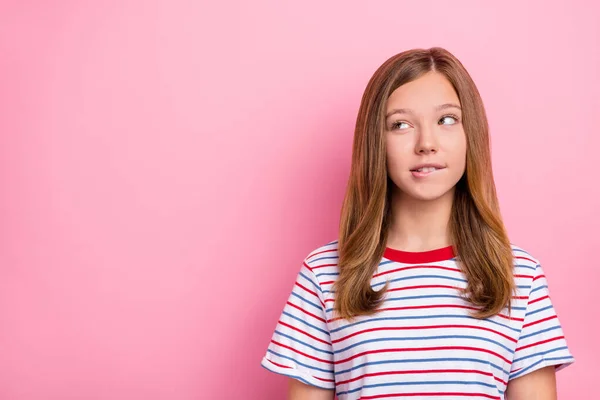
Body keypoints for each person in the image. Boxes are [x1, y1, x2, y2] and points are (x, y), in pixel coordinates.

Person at [259, 47, 575, 400]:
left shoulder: (519, 275)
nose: (426, 144)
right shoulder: (324, 273)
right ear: (375, 143)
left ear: (471, 134)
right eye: (401, 125)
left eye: (446, 120)